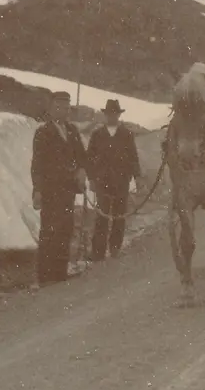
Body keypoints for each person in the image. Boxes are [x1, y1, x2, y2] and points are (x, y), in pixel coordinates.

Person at [30, 91, 87, 286]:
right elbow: (37, 165)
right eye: (58, 107)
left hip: (68, 190)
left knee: (65, 228)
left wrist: (81, 171)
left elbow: (81, 156)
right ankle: (45, 277)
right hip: (50, 190)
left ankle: (60, 273)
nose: (62, 111)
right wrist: (37, 190)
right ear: (51, 109)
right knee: (49, 231)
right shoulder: (43, 132)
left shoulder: (72, 130)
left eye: (66, 107)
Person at [84, 99, 143, 261]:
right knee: (102, 217)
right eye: (109, 114)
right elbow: (89, 159)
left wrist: (137, 177)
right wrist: (92, 179)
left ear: (118, 115)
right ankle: (98, 251)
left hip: (121, 181)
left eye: (115, 114)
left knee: (119, 216)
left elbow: (133, 157)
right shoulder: (97, 135)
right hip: (102, 182)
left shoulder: (126, 134)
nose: (112, 116)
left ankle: (115, 248)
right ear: (105, 115)